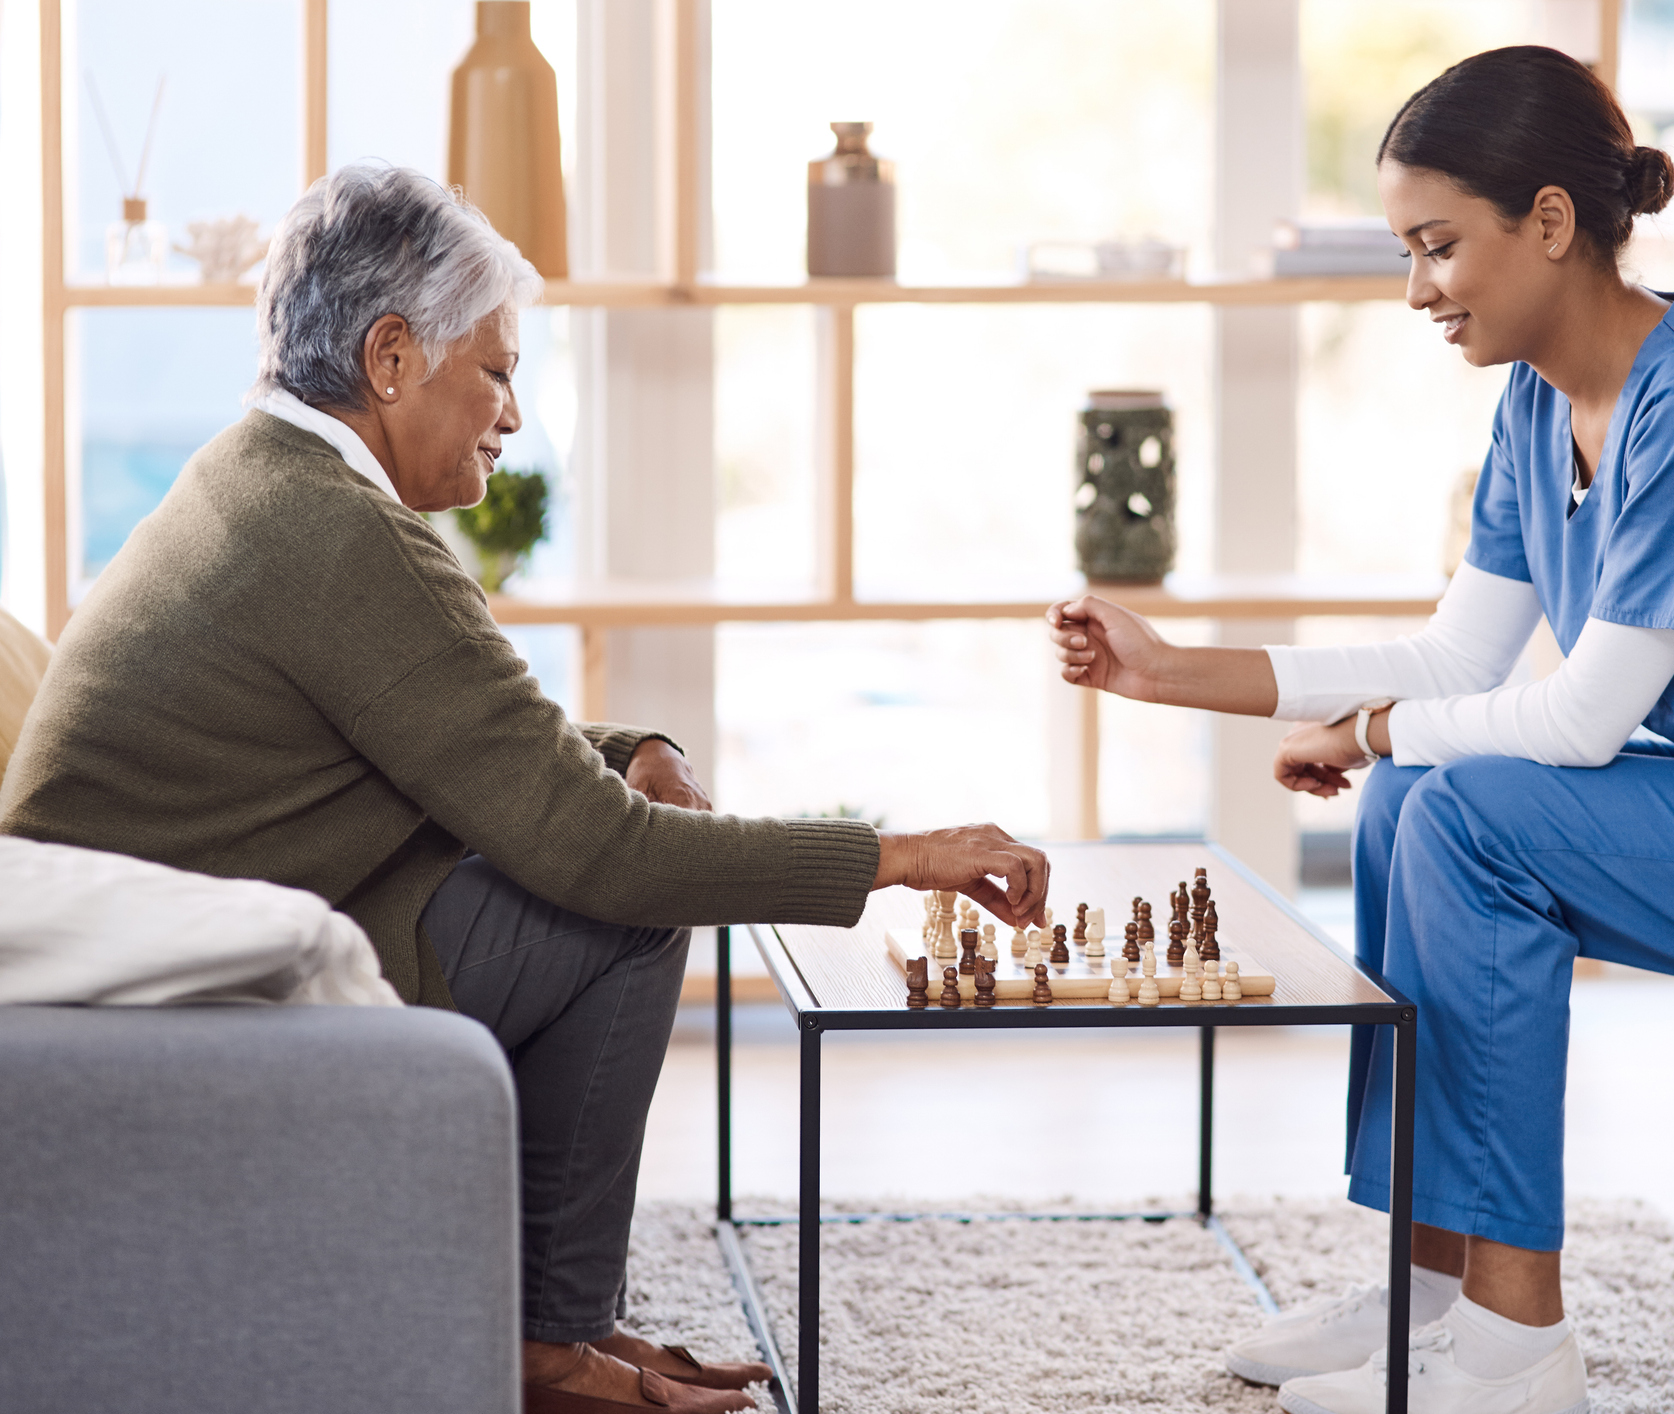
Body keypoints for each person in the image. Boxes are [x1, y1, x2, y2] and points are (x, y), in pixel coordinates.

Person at [1046, 45, 1674, 1414]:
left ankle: (1517, 1349)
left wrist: (1374, 732)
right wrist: (1170, 674)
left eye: (1435, 246)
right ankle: (1429, 1288)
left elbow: (1579, 722)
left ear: (1548, 222)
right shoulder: (1535, 403)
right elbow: (1453, 654)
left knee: (1455, 801)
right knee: (1418, 797)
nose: (1414, 289)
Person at [1, 164, 1049, 1414]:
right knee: (624, 909)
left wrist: (626, 745)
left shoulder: (265, 477)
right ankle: (544, 1345)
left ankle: (553, 1323)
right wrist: (903, 855)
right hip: (167, 1003)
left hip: (170, 940)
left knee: (577, 861)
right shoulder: (340, 533)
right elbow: (604, 853)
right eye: (494, 371)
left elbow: (443, 719)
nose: (510, 414)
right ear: (390, 358)